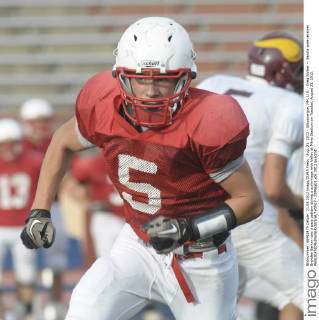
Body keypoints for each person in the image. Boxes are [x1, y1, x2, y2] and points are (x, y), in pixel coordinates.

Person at [20, 17, 263, 320]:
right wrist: (39, 210)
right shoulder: (102, 102)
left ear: (185, 79)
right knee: (85, 308)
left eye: (162, 79)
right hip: (136, 243)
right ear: (121, 77)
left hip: (201, 259)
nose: (150, 91)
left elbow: (250, 202)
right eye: (141, 78)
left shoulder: (209, 121)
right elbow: (62, 141)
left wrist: (187, 229)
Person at [197, 32, 303, 320]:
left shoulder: (215, 84)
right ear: (284, 70)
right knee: (308, 293)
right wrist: (303, 205)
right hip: (251, 221)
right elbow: (273, 186)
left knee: (220, 307)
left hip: (203, 217)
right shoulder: (289, 104)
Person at [20, 98, 68, 319]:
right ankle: (27, 307)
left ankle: (54, 304)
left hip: (53, 207)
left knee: (55, 260)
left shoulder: (57, 142)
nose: (39, 127)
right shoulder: (16, 146)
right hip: (22, 210)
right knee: (25, 264)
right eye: (35, 122)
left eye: (43, 121)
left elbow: (70, 177)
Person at [0, 118, 42, 319]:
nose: (8, 148)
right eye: (4, 144)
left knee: (26, 273)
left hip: (23, 225)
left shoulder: (34, 161)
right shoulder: (34, 160)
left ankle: (26, 311)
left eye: (12, 142)